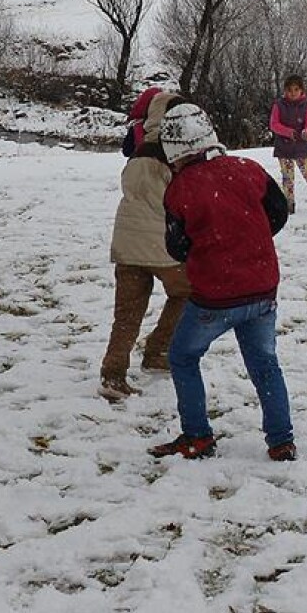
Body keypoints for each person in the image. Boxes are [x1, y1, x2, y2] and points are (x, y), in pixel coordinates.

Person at [149, 103, 296, 461]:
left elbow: (177, 246)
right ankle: (281, 441)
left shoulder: (180, 189)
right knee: (264, 363)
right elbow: (278, 214)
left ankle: (197, 436)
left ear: (173, 149)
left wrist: (214, 248)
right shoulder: (249, 169)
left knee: (183, 356)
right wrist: (249, 240)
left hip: (214, 296)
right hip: (262, 287)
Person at [99, 89, 191, 402]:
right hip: (159, 243)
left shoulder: (138, 150)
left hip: (126, 242)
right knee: (188, 292)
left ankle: (113, 375)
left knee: (126, 314)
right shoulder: (175, 152)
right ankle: (158, 348)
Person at [270, 74, 307, 212]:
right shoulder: (278, 105)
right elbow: (274, 124)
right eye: (289, 90)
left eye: (296, 89)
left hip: (301, 147)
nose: (293, 93)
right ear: (285, 90)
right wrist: (288, 132)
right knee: (287, 179)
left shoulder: (306, 106)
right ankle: (289, 206)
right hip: (283, 147)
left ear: (301, 90)